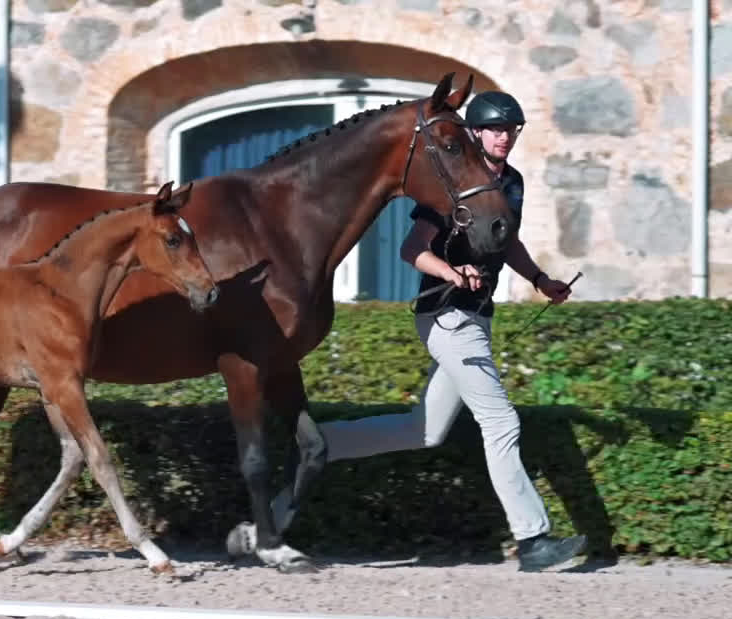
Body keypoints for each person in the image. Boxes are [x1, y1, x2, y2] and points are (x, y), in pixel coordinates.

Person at [228, 90, 588, 572]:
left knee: (422, 430)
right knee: (501, 421)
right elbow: (412, 249)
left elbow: (509, 241)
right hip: (447, 315)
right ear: (474, 134)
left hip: (476, 317)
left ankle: (317, 453)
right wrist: (453, 273)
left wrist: (540, 280)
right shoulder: (453, 179)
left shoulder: (511, 183)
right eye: (495, 129)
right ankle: (533, 541)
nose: (504, 137)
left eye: (511, 129)